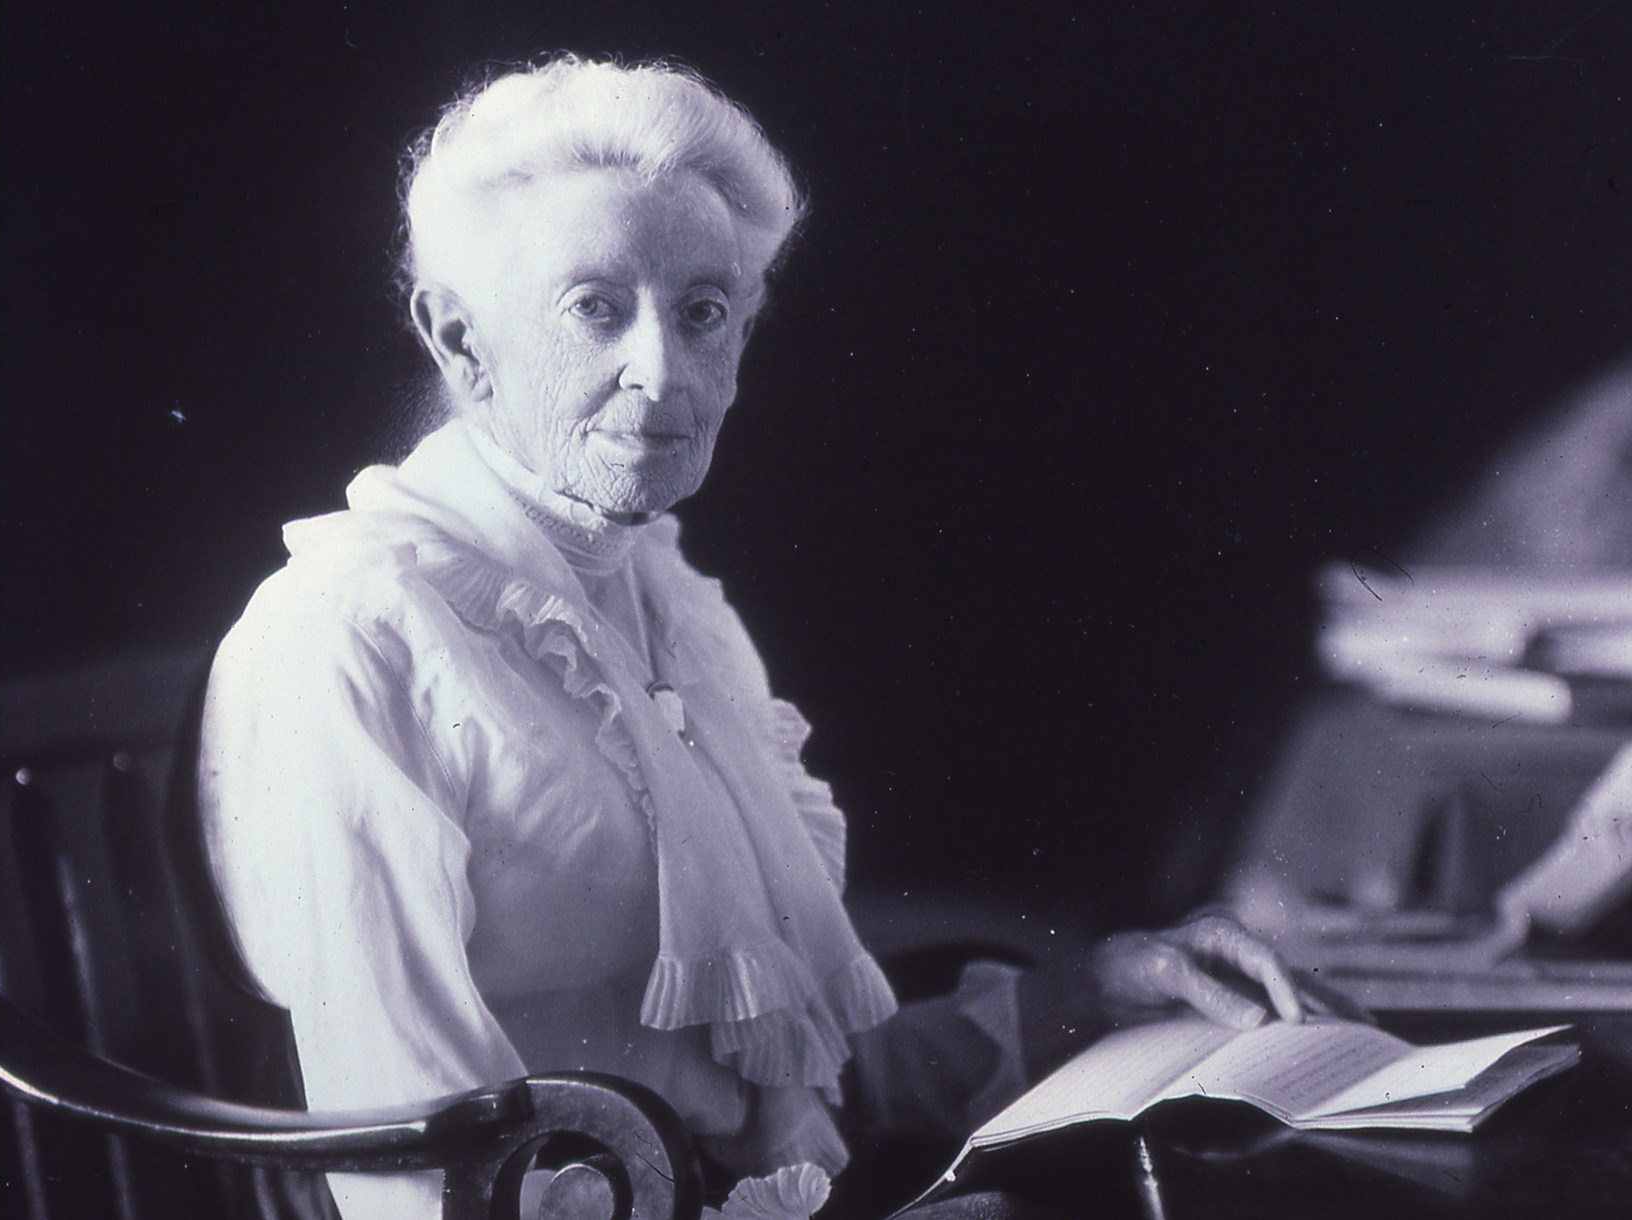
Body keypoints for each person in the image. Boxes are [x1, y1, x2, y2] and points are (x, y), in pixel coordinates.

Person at [198, 55, 1303, 1219]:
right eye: (595, 307)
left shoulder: (669, 603)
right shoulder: (352, 638)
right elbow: (417, 1177)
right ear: (461, 339)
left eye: (704, 311)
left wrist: (1088, 994)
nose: (663, 370)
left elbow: (780, 1092)